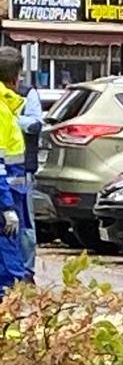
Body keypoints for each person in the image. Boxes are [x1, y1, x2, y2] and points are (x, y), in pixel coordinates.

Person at [0, 47, 28, 297]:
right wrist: (7, 207)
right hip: (5, 199)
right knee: (7, 272)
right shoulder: (1, 110)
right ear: (12, 78)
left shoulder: (6, 108)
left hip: (12, 195)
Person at [16, 72, 42, 282]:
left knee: (24, 220)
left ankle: (27, 271)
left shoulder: (26, 93)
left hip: (21, 169)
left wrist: (11, 118)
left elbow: (34, 125)